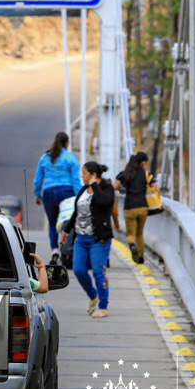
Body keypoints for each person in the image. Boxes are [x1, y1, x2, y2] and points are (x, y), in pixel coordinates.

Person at [62, 162, 116, 319]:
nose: (81, 177)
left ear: (93, 175)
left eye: (84, 173)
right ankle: (93, 295)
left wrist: (95, 186)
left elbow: (105, 202)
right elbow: (76, 212)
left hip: (98, 239)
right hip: (81, 238)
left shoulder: (106, 188)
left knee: (98, 272)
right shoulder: (84, 190)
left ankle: (103, 306)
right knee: (78, 270)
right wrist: (66, 230)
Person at [33, 132, 81, 254]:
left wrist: (37, 194)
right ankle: (67, 248)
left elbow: (38, 180)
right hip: (67, 192)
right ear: (67, 143)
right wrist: (81, 196)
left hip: (49, 192)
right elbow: (75, 180)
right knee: (67, 222)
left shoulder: (45, 157)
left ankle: (55, 249)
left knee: (52, 223)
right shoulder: (70, 158)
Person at [116, 152, 154, 264]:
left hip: (129, 207)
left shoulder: (125, 174)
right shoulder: (146, 174)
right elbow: (155, 188)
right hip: (143, 207)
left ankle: (132, 245)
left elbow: (115, 186)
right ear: (142, 163)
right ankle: (141, 258)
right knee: (139, 233)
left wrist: (123, 189)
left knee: (130, 234)